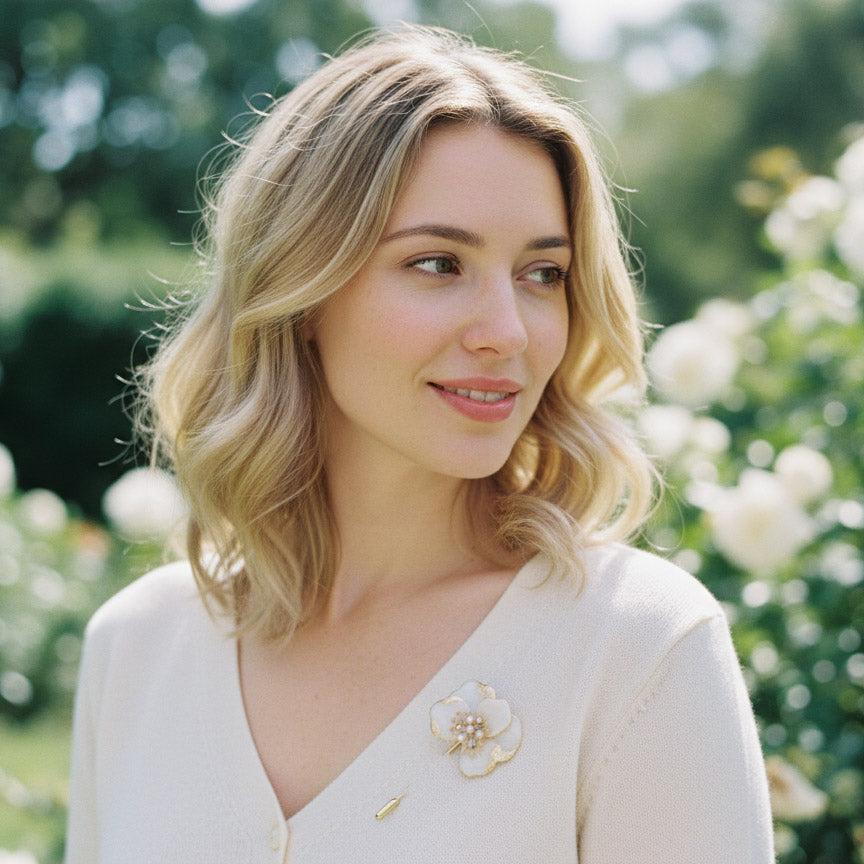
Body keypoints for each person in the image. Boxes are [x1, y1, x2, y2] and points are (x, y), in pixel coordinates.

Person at [65, 25, 775, 863]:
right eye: (439, 263)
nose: (508, 332)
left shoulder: (638, 647)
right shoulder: (137, 649)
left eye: (543, 273)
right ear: (298, 288)